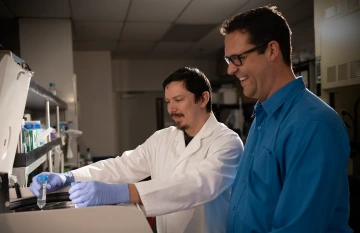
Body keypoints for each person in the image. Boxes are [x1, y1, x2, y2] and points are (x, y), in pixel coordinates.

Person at [30, 67, 244, 233]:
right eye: (169, 101)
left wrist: (125, 192)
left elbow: (197, 186)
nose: (171, 109)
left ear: (203, 98)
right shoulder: (163, 138)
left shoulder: (227, 142)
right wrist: (68, 176)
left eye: (179, 100)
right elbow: (123, 165)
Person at [220, 5, 352, 233]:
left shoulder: (312, 125)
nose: (231, 69)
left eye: (237, 58)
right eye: (228, 60)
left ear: (272, 50)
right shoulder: (263, 114)